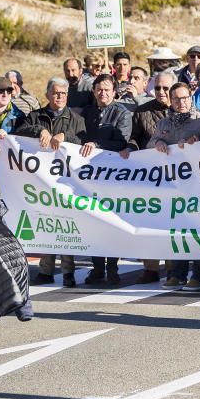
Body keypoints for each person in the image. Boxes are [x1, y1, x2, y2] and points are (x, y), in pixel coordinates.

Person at [16, 78, 87, 288]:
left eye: (63, 94)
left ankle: (68, 272)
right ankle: (46, 270)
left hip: (66, 181)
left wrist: (66, 137)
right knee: (46, 223)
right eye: (55, 93)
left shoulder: (76, 118)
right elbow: (19, 132)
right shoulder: (35, 116)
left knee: (66, 225)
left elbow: (83, 142)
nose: (59, 97)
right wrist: (40, 131)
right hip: (41, 181)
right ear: (47, 95)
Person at [149, 82, 200, 290]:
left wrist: (199, 142)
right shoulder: (163, 124)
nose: (181, 103)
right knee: (177, 229)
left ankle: (198, 275)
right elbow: (148, 147)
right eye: (177, 99)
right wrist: (158, 143)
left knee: (198, 231)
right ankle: (176, 274)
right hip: (174, 186)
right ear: (170, 101)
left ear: (191, 98)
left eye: (185, 98)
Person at [121, 70, 173, 284]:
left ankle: (173, 268)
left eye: (166, 88)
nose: (161, 92)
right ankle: (150, 268)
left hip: (176, 176)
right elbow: (135, 138)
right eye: (158, 88)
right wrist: (128, 148)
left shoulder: (182, 109)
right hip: (149, 176)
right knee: (149, 221)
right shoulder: (142, 111)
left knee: (172, 222)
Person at [81, 73, 133, 285]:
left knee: (111, 222)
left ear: (114, 92)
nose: (102, 93)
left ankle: (112, 267)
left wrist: (97, 144)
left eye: (107, 90)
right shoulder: (88, 113)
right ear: (94, 91)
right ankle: (97, 267)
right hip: (89, 177)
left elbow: (121, 142)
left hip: (113, 177)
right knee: (92, 221)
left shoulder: (122, 113)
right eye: (99, 90)